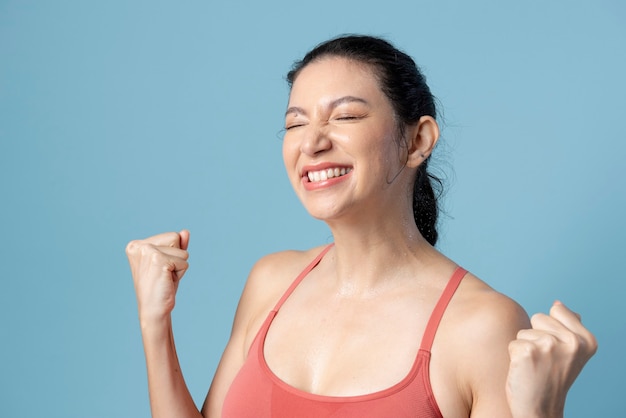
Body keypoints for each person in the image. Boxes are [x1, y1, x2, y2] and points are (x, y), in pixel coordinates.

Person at [126, 35, 597, 418]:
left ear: (417, 141)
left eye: (346, 116)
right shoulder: (270, 282)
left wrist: (539, 412)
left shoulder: (483, 326)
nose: (312, 142)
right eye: (295, 124)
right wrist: (154, 323)